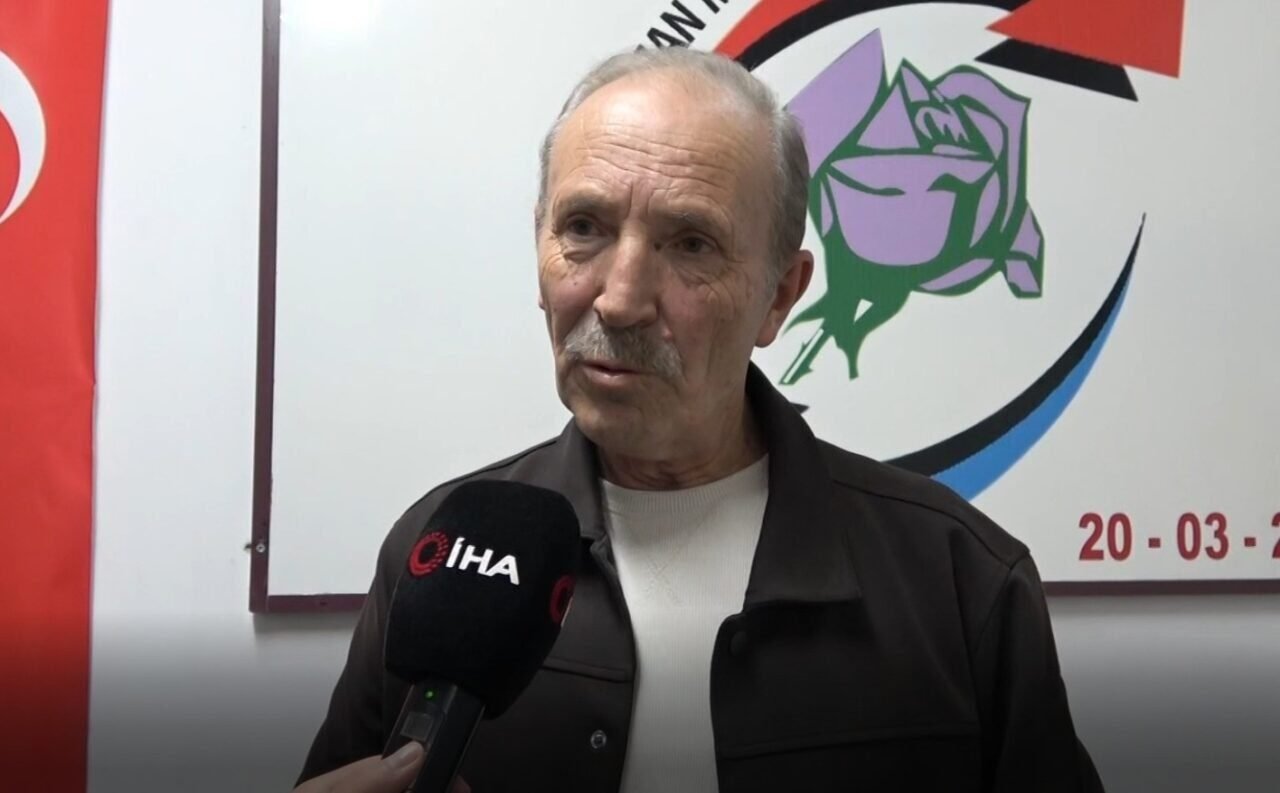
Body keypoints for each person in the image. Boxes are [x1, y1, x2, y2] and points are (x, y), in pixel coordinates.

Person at [294, 46, 1103, 793]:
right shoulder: (439, 549)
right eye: (584, 228)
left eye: (690, 244)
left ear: (780, 296)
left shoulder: (960, 581)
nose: (619, 299)